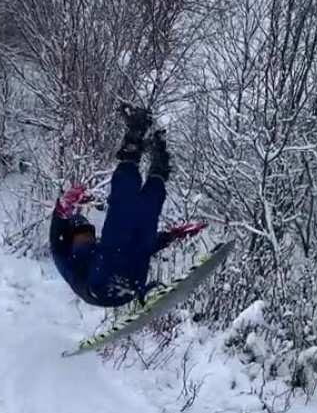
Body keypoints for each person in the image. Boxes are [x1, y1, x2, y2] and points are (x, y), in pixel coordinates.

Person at [50, 104, 205, 308]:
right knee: (121, 221)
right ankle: (133, 144)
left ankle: (158, 167)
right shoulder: (66, 255)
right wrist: (64, 206)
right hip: (99, 288)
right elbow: (57, 231)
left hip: (129, 286)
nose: (88, 237)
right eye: (82, 235)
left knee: (146, 222)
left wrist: (172, 236)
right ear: (71, 239)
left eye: (88, 233)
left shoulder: (95, 250)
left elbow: (147, 245)